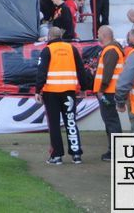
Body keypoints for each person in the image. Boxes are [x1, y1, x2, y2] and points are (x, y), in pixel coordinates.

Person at [35, 26, 88, 165]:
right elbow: (81, 69)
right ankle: (76, 155)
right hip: (69, 91)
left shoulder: (47, 50)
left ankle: (56, 156)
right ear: (61, 35)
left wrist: (37, 90)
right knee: (70, 122)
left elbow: (41, 72)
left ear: (49, 36)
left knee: (54, 125)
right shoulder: (72, 49)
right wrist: (83, 87)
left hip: (51, 93)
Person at [94, 25, 124, 161]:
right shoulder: (112, 49)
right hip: (109, 91)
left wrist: (101, 90)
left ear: (104, 35)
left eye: (99, 33)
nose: (97, 35)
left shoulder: (111, 50)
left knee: (111, 122)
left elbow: (107, 73)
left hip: (108, 92)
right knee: (111, 122)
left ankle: (115, 152)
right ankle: (114, 151)